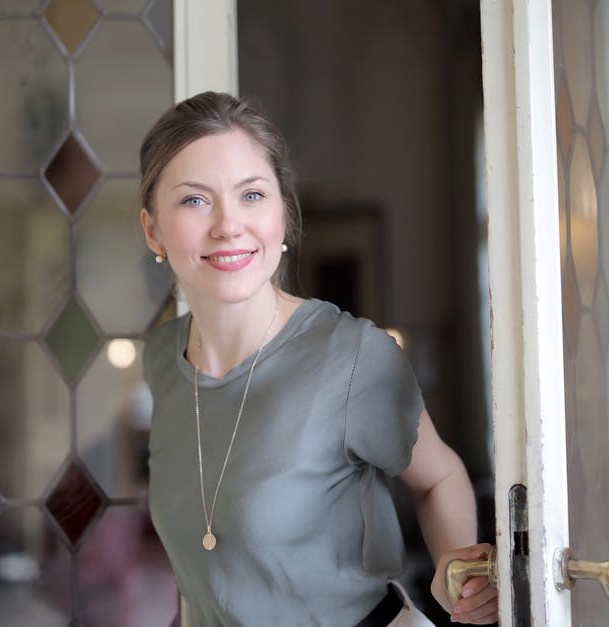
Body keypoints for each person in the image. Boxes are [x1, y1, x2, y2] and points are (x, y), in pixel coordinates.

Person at [138, 91, 497, 626]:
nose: (228, 225)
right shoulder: (161, 362)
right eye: (195, 200)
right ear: (153, 230)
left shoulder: (350, 356)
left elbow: (439, 475)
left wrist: (455, 570)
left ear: (282, 211)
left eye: (252, 195)